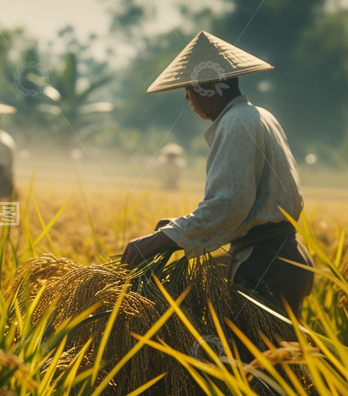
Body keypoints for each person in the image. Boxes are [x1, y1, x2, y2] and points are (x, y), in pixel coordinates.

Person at [120, 31, 314, 316]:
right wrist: (178, 227)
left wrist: (158, 240)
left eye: (190, 88)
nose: (187, 97)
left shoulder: (236, 123)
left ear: (210, 86)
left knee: (251, 359)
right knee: (282, 359)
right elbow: (249, 204)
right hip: (287, 257)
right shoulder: (259, 115)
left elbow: (229, 205)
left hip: (263, 263)